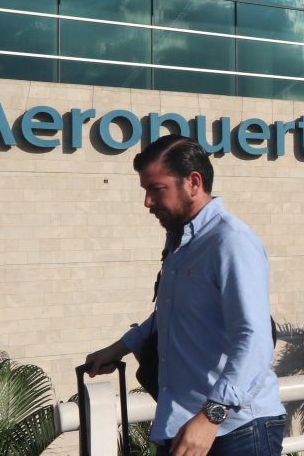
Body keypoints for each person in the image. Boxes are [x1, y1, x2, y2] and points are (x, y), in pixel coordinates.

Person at [85, 135, 286, 456]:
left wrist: (210, 417)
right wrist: (120, 347)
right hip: (183, 424)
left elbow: (255, 339)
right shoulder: (181, 243)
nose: (147, 202)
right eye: (145, 190)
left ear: (193, 182)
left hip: (234, 430)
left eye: (156, 189)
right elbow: (172, 313)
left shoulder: (230, 241)